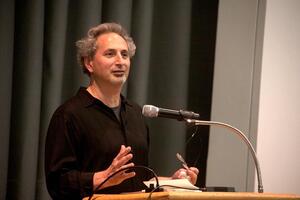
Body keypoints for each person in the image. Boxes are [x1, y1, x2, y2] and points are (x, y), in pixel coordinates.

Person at [44, 22, 199, 200]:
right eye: (110, 54)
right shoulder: (69, 115)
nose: (120, 61)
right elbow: (57, 183)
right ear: (89, 63)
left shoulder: (136, 114)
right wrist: (103, 177)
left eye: (124, 55)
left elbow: (139, 180)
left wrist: (173, 182)